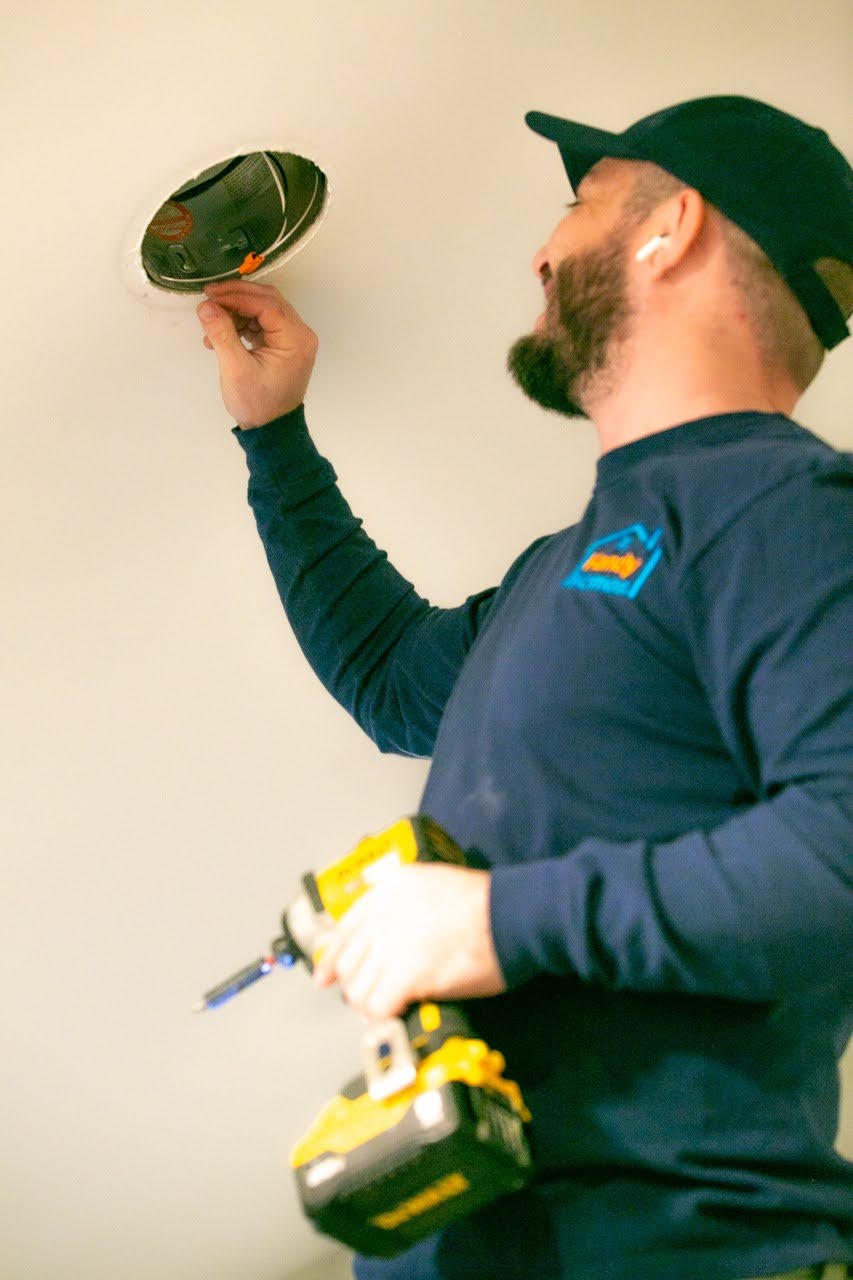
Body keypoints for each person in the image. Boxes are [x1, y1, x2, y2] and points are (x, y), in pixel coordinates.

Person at [196, 95, 853, 1280]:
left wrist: (496, 919)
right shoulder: (570, 563)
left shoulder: (791, 514)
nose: (542, 251)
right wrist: (273, 433)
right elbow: (395, 679)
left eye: (580, 204)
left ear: (673, 227)